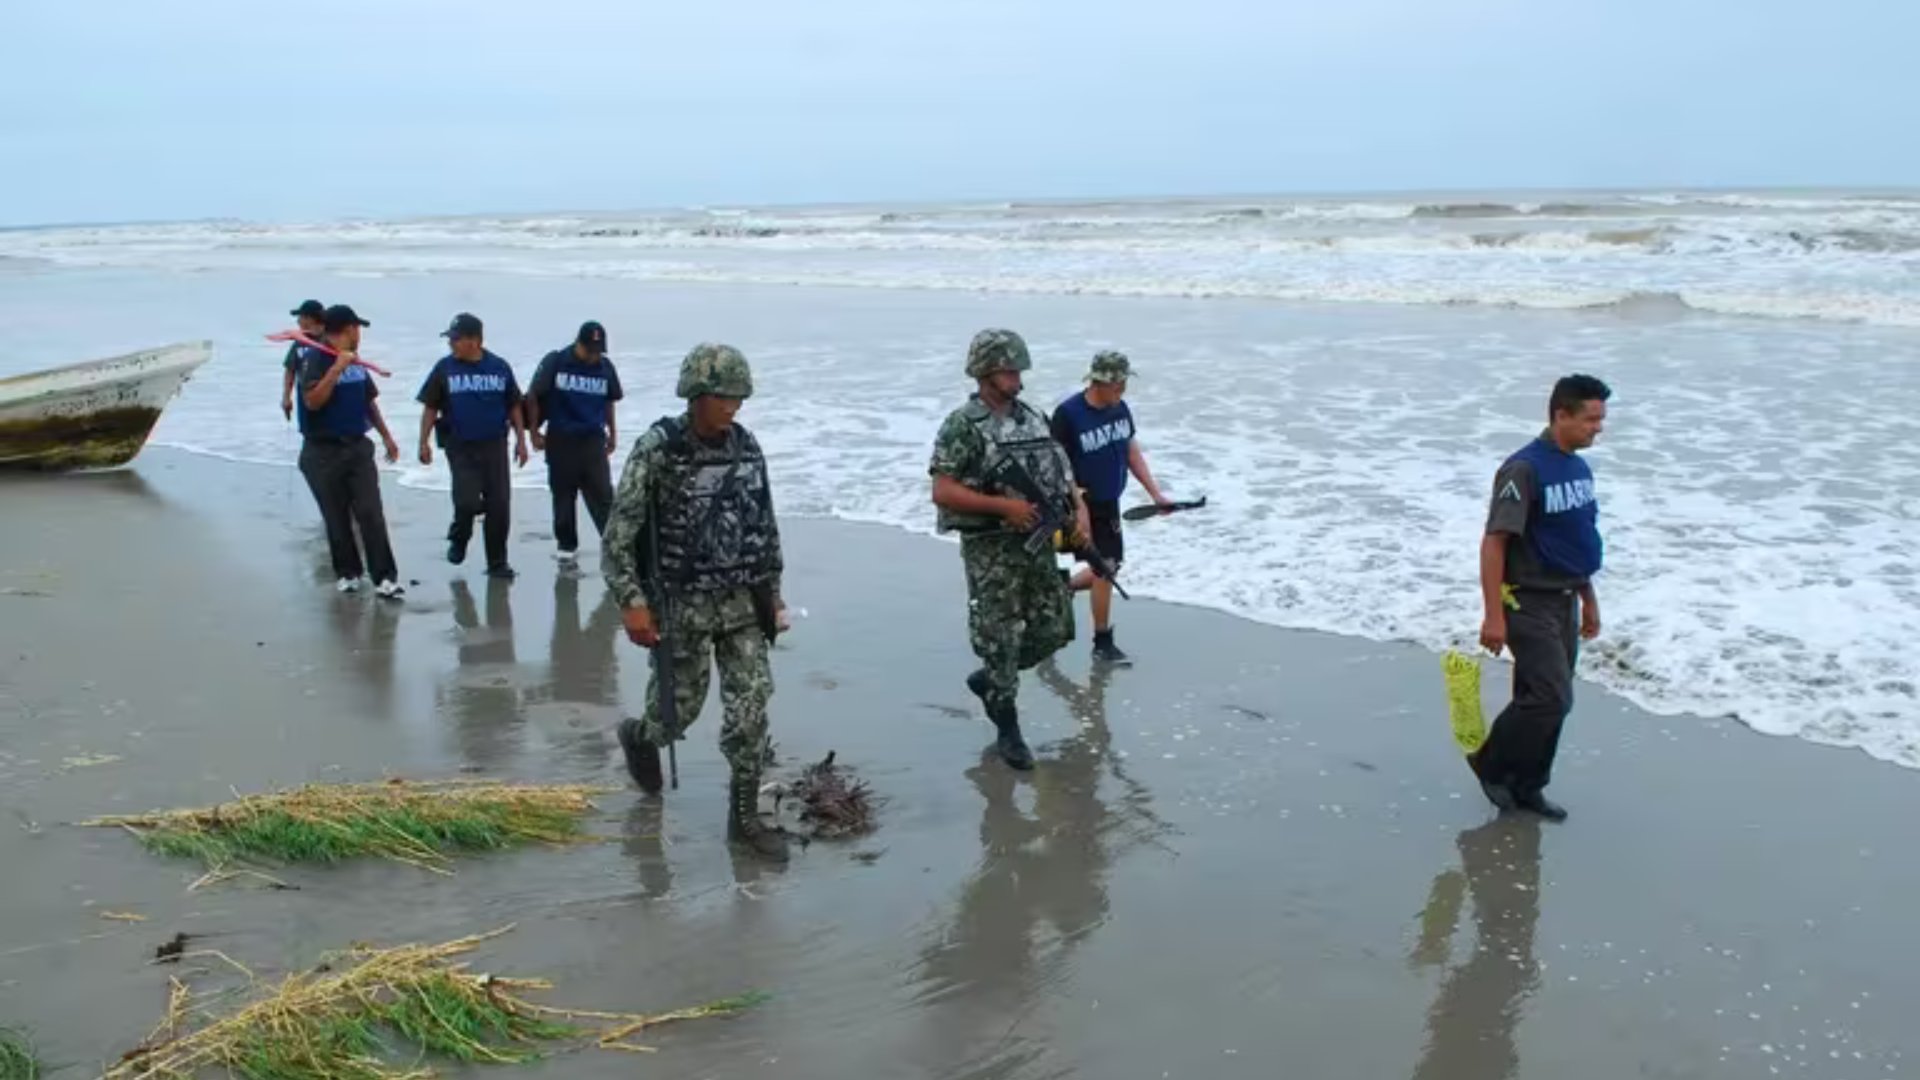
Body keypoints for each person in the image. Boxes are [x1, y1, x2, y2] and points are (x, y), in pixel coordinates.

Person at [602, 343, 791, 862]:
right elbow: (619, 535)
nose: (733, 407)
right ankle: (639, 737)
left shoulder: (746, 447)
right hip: (680, 607)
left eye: (739, 397)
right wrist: (632, 601)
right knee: (673, 717)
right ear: (696, 395)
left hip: (742, 605)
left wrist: (773, 593)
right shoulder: (657, 450)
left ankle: (745, 819)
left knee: (751, 711)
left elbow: (764, 524)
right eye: (723, 396)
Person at [929, 328, 1090, 771]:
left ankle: (992, 680)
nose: (1016, 376)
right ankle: (1007, 727)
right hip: (991, 548)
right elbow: (942, 490)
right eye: (1007, 368)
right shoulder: (963, 425)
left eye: (1018, 368)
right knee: (999, 638)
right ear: (985, 372)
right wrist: (1002, 506)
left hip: (1037, 543)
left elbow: (1061, 471)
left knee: (1056, 627)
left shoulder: (1033, 416)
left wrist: (1078, 512)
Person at [1472, 374, 1611, 821]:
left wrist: (1589, 599)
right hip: (1525, 599)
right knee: (1552, 698)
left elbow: (1576, 538)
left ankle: (1527, 787)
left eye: (1601, 419)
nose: (1598, 428)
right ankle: (1490, 762)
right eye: (1591, 419)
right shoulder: (1524, 469)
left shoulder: (1579, 468)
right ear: (1561, 415)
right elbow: (1494, 542)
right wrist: (1493, 615)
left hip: (1566, 597)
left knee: (1546, 697)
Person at [1048, 350, 1173, 665]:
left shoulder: (1120, 409)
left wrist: (1155, 495)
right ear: (1098, 382)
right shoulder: (1069, 415)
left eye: (1124, 382)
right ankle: (1102, 643)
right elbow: (1054, 468)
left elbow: (1130, 451)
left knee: (1110, 565)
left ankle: (1062, 586)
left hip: (1109, 502)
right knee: (1106, 568)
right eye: (1116, 384)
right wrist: (1078, 510)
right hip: (1079, 502)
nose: (1122, 390)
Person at [295, 304, 404, 598]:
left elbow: (368, 402)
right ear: (346, 330)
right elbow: (313, 402)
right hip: (322, 451)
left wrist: (387, 437)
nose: (359, 334)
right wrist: (336, 369)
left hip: (357, 446)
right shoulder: (314, 358)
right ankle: (348, 573)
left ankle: (384, 577)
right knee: (336, 515)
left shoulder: (355, 362)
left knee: (370, 511)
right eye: (357, 328)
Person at [416, 312, 530, 580]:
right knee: (466, 501)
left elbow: (513, 404)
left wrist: (522, 442)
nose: (451, 344)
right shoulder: (444, 368)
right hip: (460, 446)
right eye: (451, 339)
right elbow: (430, 407)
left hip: (494, 445)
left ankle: (497, 563)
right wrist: (423, 442)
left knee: (499, 505)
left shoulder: (499, 367)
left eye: (456, 339)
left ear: (475, 341)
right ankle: (460, 537)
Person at [526, 320, 624, 564]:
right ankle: (566, 548)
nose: (593, 356)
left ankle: (614, 545)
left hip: (592, 439)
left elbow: (609, 400)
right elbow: (533, 396)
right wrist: (534, 434)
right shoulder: (556, 362)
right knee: (563, 496)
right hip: (561, 439)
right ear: (578, 344)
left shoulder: (605, 366)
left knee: (603, 495)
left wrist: (613, 432)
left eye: (598, 350)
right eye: (589, 350)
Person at [282, 299, 326, 422]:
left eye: (300, 317)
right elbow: (290, 369)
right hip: (305, 401)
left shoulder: (330, 340)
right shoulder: (300, 342)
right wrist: (286, 397)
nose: (298, 321)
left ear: (309, 319)